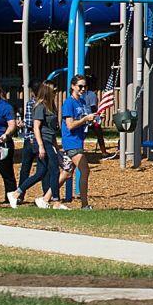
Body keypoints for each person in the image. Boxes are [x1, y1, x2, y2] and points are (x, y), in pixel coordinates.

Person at [17, 82, 63, 209]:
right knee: (53, 170)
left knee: (42, 172)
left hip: (48, 141)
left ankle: (17, 193)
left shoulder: (51, 106)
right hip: (39, 142)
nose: (55, 92)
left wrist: (57, 147)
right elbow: (36, 127)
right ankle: (55, 201)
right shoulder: (39, 106)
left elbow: (52, 129)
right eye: (53, 90)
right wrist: (41, 146)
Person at [58, 74, 93, 209]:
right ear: (73, 86)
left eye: (85, 86)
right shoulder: (69, 102)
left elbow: (82, 120)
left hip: (79, 140)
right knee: (85, 170)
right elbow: (70, 125)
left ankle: (45, 198)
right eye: (80, 86)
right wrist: (85, 120)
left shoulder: (82, 102)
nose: (83, 89)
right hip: (71, 142)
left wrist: (92, 119)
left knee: (67, 172)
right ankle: (84, 205)